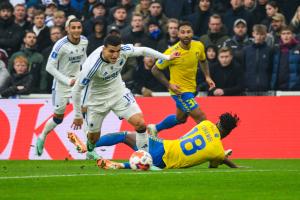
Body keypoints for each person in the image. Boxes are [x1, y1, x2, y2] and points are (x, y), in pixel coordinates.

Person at [71, 34, 179, 157]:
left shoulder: (124, 50)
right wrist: (78, 115)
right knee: (93, 138)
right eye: (111, 51)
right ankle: (90, 149)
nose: (115, 55)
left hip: (118, 92)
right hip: (97, 100)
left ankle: (145, 157)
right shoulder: (91, 67)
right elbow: (76, 90)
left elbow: (143, 50)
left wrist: (167, 57)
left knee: (140, 123)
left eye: (117, 51)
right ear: (103, 49)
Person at [69, 112, 240, 169]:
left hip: (164, 144)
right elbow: (214, 164)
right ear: (229, 132)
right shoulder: (217, 150)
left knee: (124, 136)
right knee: (147, 162)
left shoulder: (205, 124)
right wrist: (231, 163)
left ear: (217, 122)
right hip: (165, 159)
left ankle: (87, 145)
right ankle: (119, 165)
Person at [149, 21, 215, 136]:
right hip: (179, 91)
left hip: (192, 89)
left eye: (188, 32)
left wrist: (207, 76)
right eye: (183, 32)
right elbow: (155, 69)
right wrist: (169, 85)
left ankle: (154, 128)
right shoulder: (172, 53)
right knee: (201, 117)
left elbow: (203, 60)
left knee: (181, 119)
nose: (186, 35)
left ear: (192, 33)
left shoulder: (198, 46)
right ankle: (215, 148)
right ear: (178, 35)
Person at [35, 17, 88, 156]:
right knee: (58, 118)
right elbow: (49, 67)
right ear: (67, 29)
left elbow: (84, 59)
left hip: (78, 83)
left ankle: (90, 149)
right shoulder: (60, 45)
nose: (76, 30)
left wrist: (85, 74)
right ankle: (42, 136)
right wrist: (67, 80)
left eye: (79, 27)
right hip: (61, 84)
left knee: (86, 112)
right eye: (73, 28)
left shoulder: (84, 41)